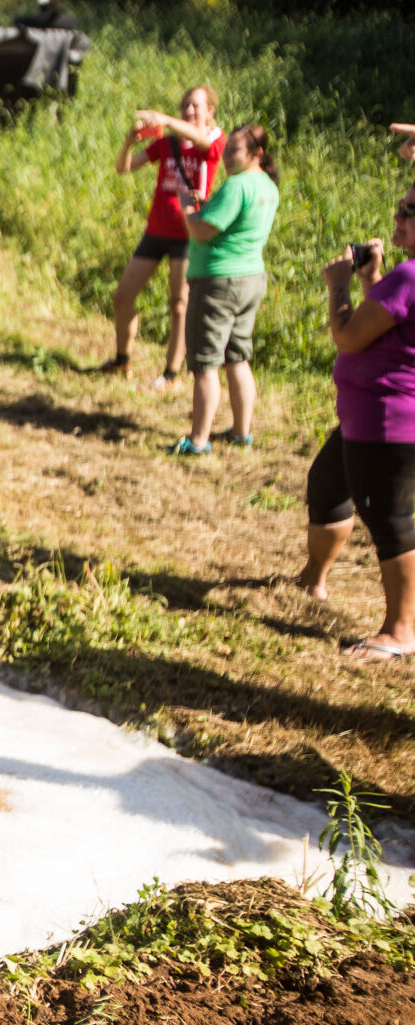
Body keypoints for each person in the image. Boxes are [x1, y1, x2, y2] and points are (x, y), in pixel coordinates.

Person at [297, 185, 415, 660]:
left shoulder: (409, 277)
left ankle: (400, 631)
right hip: (367, 419)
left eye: (410, 210)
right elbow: (386, 324)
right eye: (401, 205)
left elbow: (348, 336)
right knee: (328, 486)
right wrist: (372, 280)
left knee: (390, 521)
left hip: (388, 421)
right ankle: (313, 580)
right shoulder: (402, 278)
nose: (399, 215)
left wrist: (339, 285)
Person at [167, 124, 279, 456]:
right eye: (226, 149)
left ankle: (198, 441)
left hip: (218, 283)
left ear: (256, 154)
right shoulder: (267, 185)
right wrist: (204, 208)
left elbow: (202, 231)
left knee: (205, 363)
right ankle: (242, 433)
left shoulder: (237, 185)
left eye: (235, 151)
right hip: (250, 279)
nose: (227, 156)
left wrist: (188, 208)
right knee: (237, 357)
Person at [102, 87, 224, 386]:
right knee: (123, 296)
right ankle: (122, 360)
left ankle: (170, 374)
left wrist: (166, 119)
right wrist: (129, 142)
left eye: (195, 106)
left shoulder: (214, 139)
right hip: (156, 231)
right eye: (185, 105)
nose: (189, 110)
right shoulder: (168, 143)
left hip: (188, 235)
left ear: (210, 112)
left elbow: (201, 140)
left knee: (179, 304)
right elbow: (123, 168)